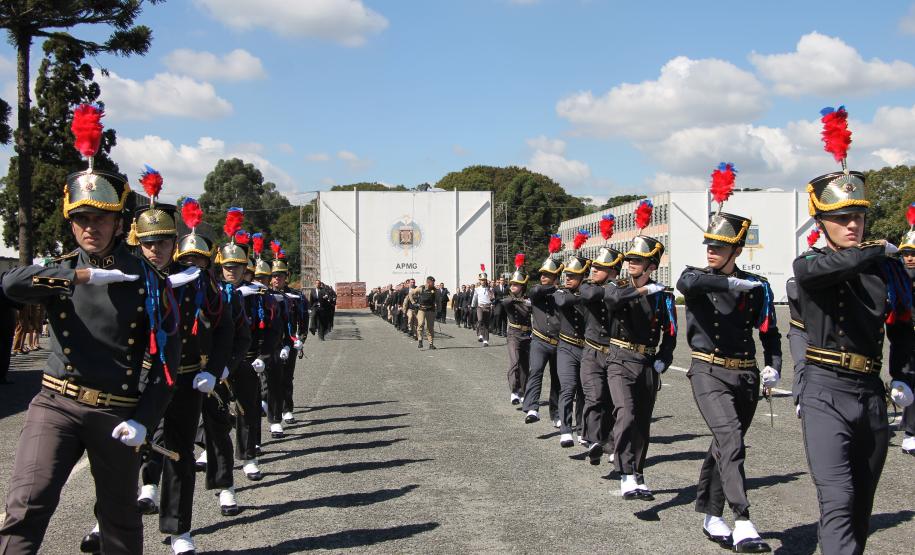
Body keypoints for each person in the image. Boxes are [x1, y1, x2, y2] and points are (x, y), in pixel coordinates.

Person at [0, 105, 180, 554]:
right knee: (26, 504)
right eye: (81, 218)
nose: (90, 227)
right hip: (56, 401)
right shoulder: (60, 270)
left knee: (119, 522)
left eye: (100, 218)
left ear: (119, 223)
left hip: (115, 413)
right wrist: (77, 277)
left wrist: (144, 419)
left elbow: (167, 362)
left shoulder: (149, 282)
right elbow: (11, 284)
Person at [794, 107, 914, 555]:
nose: (852, 225)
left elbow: (904, 327)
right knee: (838, 498)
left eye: (858, 217)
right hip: (825, 389)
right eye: (841, 217)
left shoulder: (888, 270)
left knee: (859, 507)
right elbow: (829, 268)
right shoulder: (809, 264)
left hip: (870, 393)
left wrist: (903, 375)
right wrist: (875, 250)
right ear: (821, 221)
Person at [677, 162, 780, 553]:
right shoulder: (697, 277)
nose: (711, 251)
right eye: (709, 245)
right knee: (731, 439)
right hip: (708, 371)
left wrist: (774, 364)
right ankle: (744, 520)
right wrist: (730, 280)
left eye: (719, 247)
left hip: (746, 376)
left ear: (737, 249)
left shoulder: (759, 288)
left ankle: (710, 511)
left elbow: (770, 331)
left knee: (725, 445)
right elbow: (689, 282)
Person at [138, 195, 233, 554]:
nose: (156, 249)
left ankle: (178, 528)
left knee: (179, 452)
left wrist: (212, 369)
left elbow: (223, 327)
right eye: (148, 242)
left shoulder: (198, 284)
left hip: (186, 377)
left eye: (163, 242)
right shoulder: (130, 275)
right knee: (119, 449)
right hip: (143, 377)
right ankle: (107, 518)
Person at [607, 224, 676, 500]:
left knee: (643, 422)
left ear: (652, 265)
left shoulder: (664, 296)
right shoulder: (618, 287)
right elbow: (612, 301)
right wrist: (643, 292)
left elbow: (670, 334)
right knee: (626, 412)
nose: (631, 264)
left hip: (647, 361)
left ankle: (638, 473)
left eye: (638, 260)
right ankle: (625, 473)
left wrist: (664, 359)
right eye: (630, 260)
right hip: (619, 358)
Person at [577, 240, 625, 465]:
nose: (593, 270)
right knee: (594, 396)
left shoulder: (620, 288)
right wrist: (612, 286)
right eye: (594, 267)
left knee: (616, 403)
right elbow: (590, 296)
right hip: (592, 351)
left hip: (616, 352)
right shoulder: (587, 286)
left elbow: (617, 297)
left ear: (613, 271)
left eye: (600, 268)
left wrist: (615, 287)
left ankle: (612, 442)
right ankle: (595, 440)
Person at [521, 242, 563, 426]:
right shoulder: (537, 290)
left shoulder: (563, 293)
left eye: (548, 275)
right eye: (543, 274)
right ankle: (532, 408)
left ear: (556, 276)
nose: (544, 277)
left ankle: (556, 414)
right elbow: (536, 290)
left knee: (558, 379)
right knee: (535, 371)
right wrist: (555, 286)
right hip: (539, 339)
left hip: (560, 342)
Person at [269, 242, 308, 425]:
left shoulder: (295, 296)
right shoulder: (264, 294)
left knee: (287, 376)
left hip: (290, 341)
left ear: (287, 277)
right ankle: (273, 411)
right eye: (274, 276)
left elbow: (303, 319)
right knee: (270, 379)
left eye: (281, 276)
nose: (277, 279)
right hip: (270, 343)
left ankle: (287, 409)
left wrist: (301, 338)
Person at [552, 254, 589, 448]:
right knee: (568, 387)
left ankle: (582, 429)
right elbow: (562, 302)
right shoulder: (561, 293)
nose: (568, 278)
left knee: (584, 391)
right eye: (567, 275)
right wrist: (583, 294)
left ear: (583, 276)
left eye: (573, 276)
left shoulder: (590, 293)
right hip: (566, 347)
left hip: (586, 348)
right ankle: (566, 429)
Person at [501, 255, 531, 405]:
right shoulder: (509, 299)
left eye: (516, 284)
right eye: (512, 284)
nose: (513, 286)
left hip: (527, 335)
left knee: (525, 366)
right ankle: (514, 390)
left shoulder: (529, 298)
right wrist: (524, 302)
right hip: (513, 334)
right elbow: (506, 302)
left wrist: (529, 302)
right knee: (515, 362)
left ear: (523, 286)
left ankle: (524, 392)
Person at [898, 216, 915, 456]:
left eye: (914, 253)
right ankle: (911, 432)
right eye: (906, 253)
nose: (910, 258)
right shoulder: (898, 279)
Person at [409, 276, 438, 349]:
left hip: (430, 310)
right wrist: (413, 302)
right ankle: (420, 341)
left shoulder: (435, 290)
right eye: (433, 282)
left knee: (430, 328)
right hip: (421, 309)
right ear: (428, 282)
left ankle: (431, 344)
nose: (434, 283)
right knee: (421, 324)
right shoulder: (421, 288)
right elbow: (411, 293)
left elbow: (438, 300)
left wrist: (438, 310)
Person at [471, 270, 494, 346]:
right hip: (480, 307)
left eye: (484, 280)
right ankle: (480, 333)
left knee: (486, 324)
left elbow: (492, 298)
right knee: (480, 320)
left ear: (486, 280)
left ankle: (486, 340)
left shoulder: (489, 289)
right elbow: (474, 298)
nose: (483, 281)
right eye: (481, 280)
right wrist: (472, 305)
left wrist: (492, 300)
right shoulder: (477, 289)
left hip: (487, 307)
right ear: (479, 281)